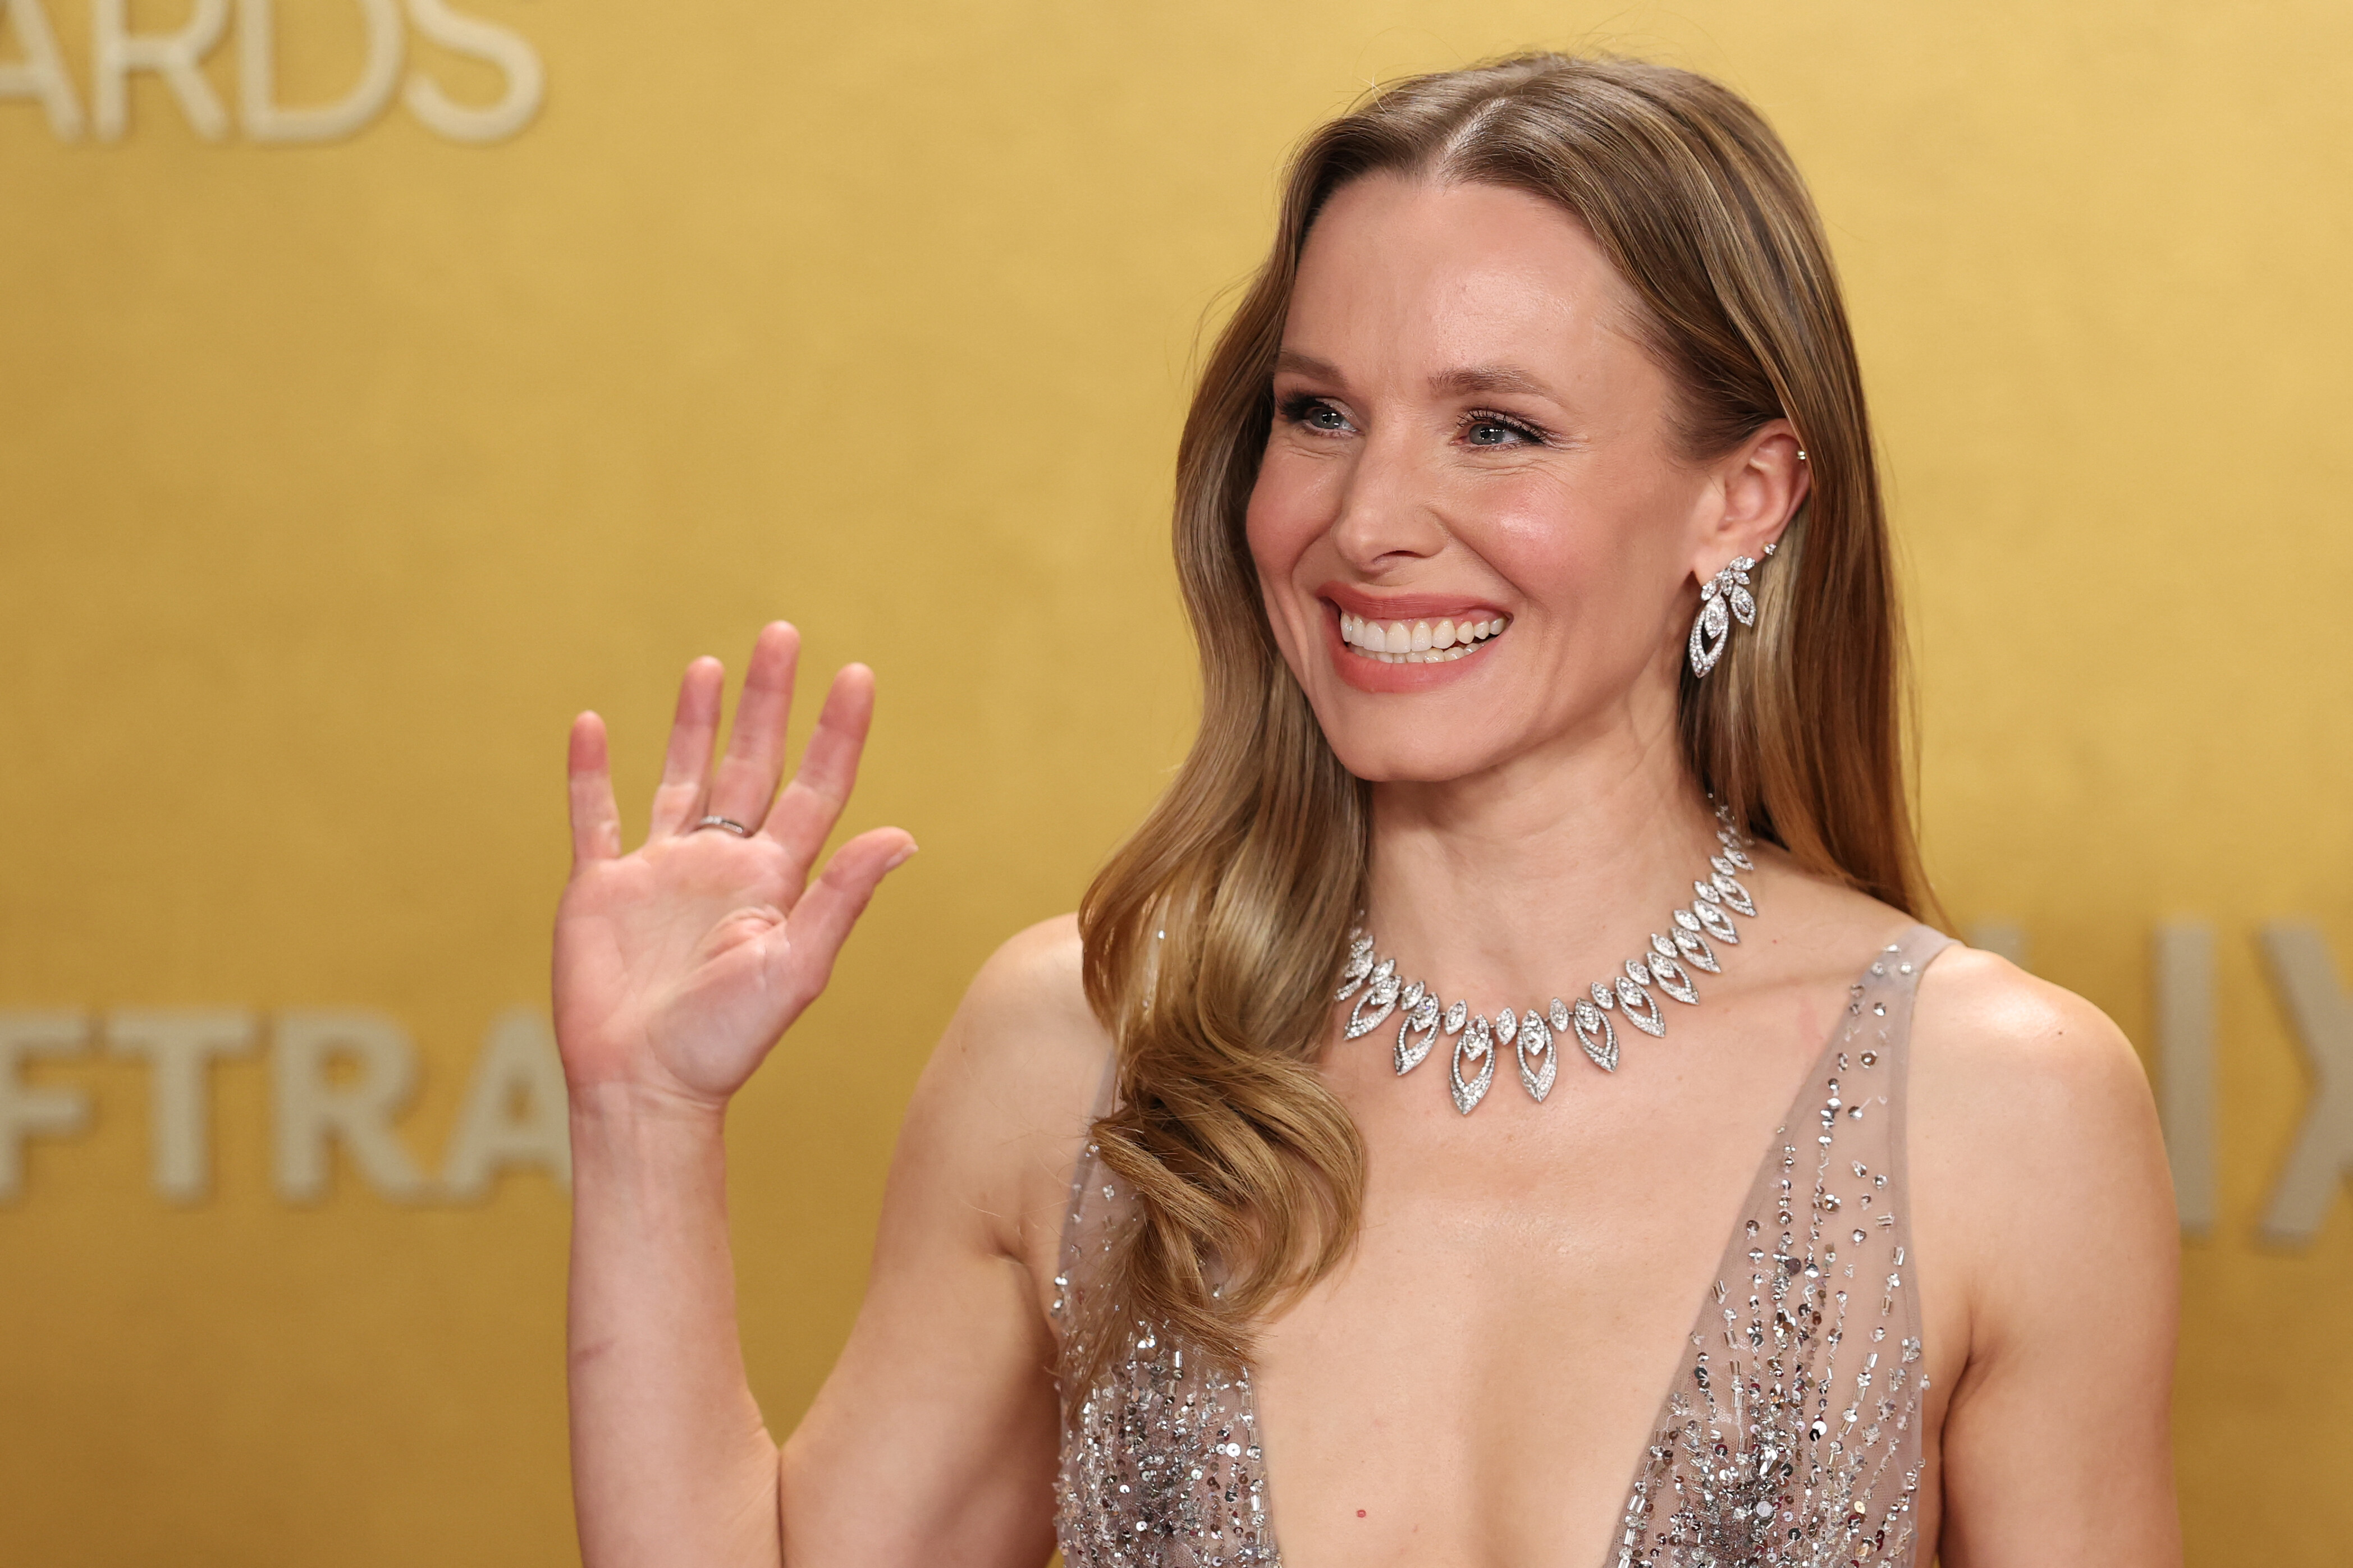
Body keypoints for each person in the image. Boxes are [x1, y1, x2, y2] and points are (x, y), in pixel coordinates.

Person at [553, 54, 2181, 1568]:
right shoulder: (1082, 1050)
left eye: (1498, 428)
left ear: (1740, 499)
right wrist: (644, 1120)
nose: (1366, 519)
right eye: (1319, 413)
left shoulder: (1996, 1111)